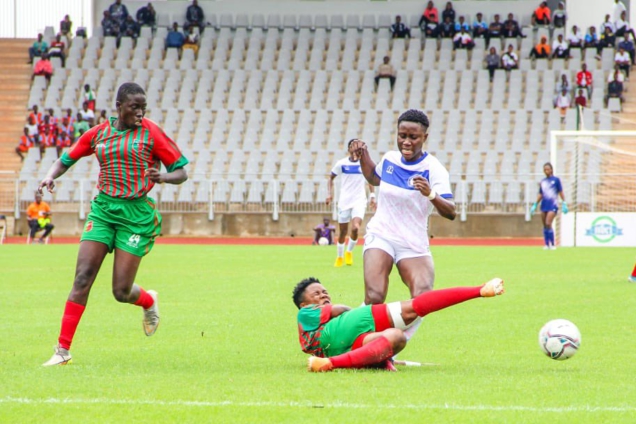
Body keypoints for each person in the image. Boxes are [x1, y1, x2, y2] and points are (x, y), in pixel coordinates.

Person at [39, 82, 189, 366]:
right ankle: (62, 351)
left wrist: (163, 178)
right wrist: (50, 176)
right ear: (119, 106)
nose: (140, 113)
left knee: (120, 291)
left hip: (135, 216)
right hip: (104, 210)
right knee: (82, 277)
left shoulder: (151, 132)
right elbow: (66, 159)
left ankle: (147, 300)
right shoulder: (99, 134)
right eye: (134, 107)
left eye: (143, 107)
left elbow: (181, 172)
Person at [351, 109, 456, 343]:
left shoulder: (434, 169)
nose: (406, 142)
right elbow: (373, 178)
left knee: (423, 299)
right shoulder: (390, 159)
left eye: (413, 137)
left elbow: (451, 212)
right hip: (382, 234)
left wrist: (431, 194)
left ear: (424, 138)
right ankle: (354, 338)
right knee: (375, 295)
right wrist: (363, 153)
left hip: (413, 242)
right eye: (402, 135)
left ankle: (388, 344)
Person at [294, 276, 504, 372]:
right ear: (304, 303)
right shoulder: (305, 313)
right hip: (343, 328)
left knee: (396, 338)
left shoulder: (313, 327)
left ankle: (340, 363)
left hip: (340, 346)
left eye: (325, 292)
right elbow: (340, 309)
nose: (323, 295)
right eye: (317, 294)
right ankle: (478, 290)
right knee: (414, 307)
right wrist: (357, 314)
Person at [326, 139, 376, 267]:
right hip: (344, 201)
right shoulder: (341, 163)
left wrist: (372, 196)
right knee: (342, 232)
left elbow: (370, 179)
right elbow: (331, 178)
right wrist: (329, 194)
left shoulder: (364, 164)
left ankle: (349, 252)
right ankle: (339, 256)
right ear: (349, 149)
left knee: (355, 228)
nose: (356, 149)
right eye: (354, 146)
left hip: (359, 200)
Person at [530, 162, 567, 250]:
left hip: (553, 205)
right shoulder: (543, 181)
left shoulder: (556, 180)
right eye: (545, 169)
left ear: (551, 170)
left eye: (548, 169)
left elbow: (560, 192)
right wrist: (535, 204)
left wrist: (564, 202)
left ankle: (553, 244)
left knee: (548, 222)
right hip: (544, 205)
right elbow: (541, 194)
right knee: (545, 225)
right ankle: (547, 244)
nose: (546, 171)